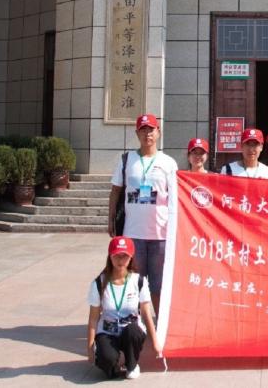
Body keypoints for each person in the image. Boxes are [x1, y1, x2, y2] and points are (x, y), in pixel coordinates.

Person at [108, 113, 178, 315]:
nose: (147, 134)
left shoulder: (168, 163)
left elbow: (175, 197)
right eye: (143, 130)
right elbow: (115, 191)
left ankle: (159, 323)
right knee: (134, 282)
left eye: (151, 129)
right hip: (133, 233)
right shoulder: (126, 160)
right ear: (137, 133)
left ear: (158, 132)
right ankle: (135, 321)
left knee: (158, 284)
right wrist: (110, 219)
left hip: (160, 234)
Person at [87, 236, 160, 379]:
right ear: (110, 257)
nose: (120, 260)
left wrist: (155, 342)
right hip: (108, 332)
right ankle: (113, 364)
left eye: (124, 256)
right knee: (107, 361)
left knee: (133, 331)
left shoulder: (139, 281)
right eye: (116, 256)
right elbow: (93, 319)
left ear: (131, 257)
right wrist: (90, 348)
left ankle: (131, 364)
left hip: (130, 331)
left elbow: (146, 313)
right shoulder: (99, 283)